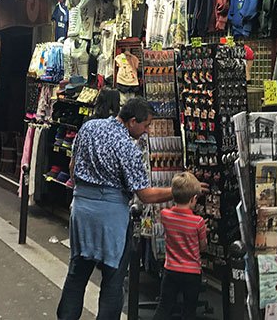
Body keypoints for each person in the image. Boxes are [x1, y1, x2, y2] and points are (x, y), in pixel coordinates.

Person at [57, 98, 177, 320]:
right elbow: (144, 194)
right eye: (146, 125)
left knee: (77, 273)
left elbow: (73, 167)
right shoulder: (127, 147)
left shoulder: (89, 127)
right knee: (113, 278)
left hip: (82, 209)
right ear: (132, 122)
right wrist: (176, 191)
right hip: (111, 216)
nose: (147, 132)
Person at [151, 172, 207, 320]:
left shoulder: (165, 215)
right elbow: (203, 247)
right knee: (189, 310)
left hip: (171, 270)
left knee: (164, 306)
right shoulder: (198, 222)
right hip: (192, 273)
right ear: (194, 199)